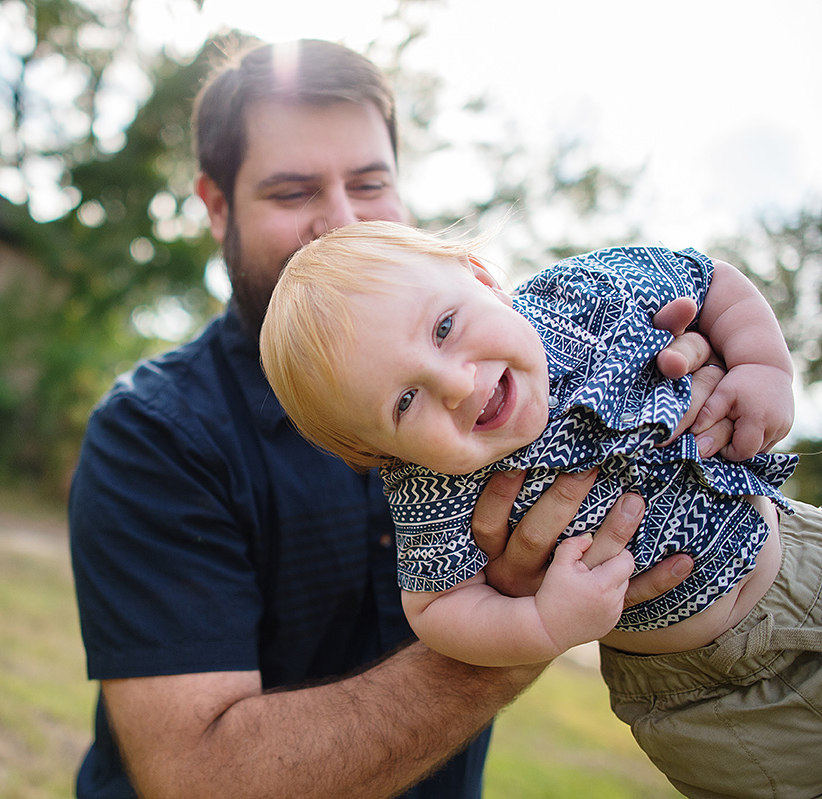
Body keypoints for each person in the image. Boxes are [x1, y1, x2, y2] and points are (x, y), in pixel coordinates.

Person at [68, 39, 720, 799]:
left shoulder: (514, 363)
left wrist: (685, 388)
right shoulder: (155, 433)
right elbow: (198, 778)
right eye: (291, 192)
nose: (339, 222)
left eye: (370, 182)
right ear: (217, 207)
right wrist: (522, 619)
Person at [260, 220, 822, 798]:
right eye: (405, 401)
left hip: (799, 553)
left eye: (445, 327)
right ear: (380, 452)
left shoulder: (578, 297)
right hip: (704, 692)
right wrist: (543, 624)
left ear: (481, 279)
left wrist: (762, 366)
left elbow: (711, 279)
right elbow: (435, 609)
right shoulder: (431, 488)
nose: (456, 382)